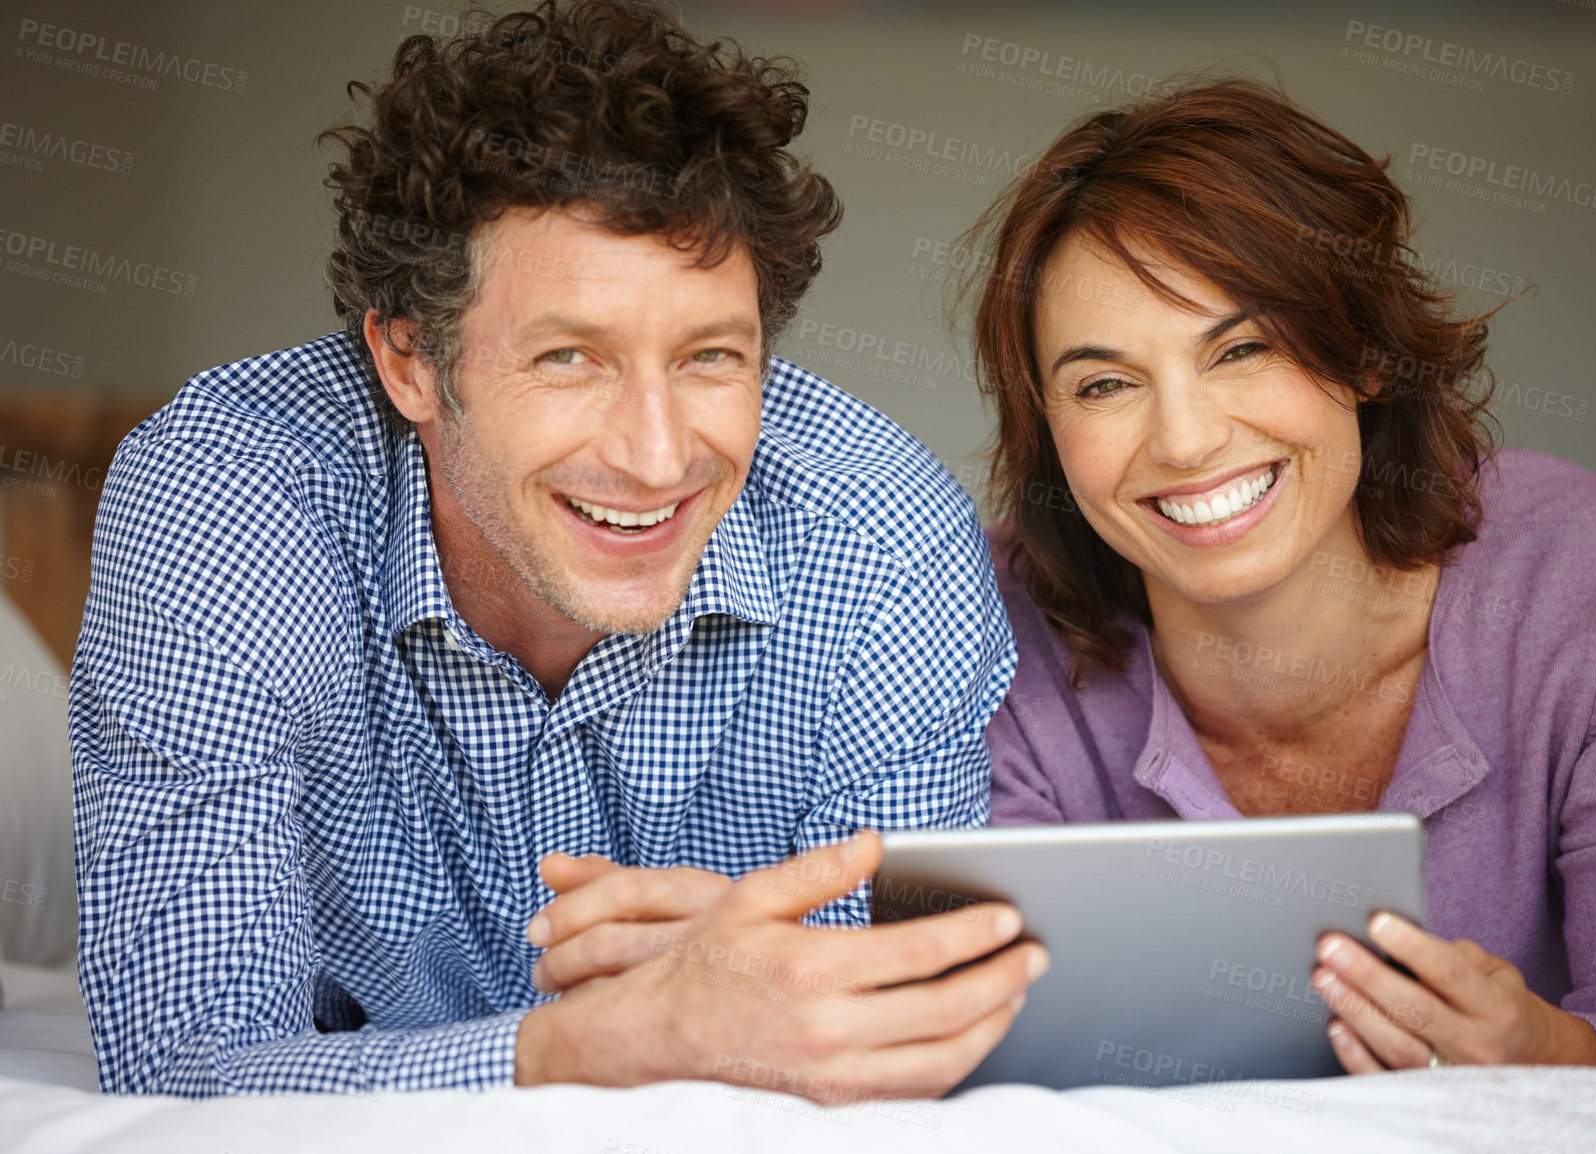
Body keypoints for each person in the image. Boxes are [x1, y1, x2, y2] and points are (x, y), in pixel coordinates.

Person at [69, 0, 1044, 1098]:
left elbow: (907, 1009)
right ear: (411, 362)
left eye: (710, 356)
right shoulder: (228, 506)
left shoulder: (881, 532)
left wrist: (789, 978)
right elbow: (185, 1067)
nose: (658, 453)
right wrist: (578, 1050)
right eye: (571, 358)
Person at [963, 77, 1596, 1072]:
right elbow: (975, 1059)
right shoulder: (976, 623)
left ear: (1362, 350)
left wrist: (1550, 1050)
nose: (1188, 440)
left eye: (1241, 347)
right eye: (1104, 383)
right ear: (1046, 430)